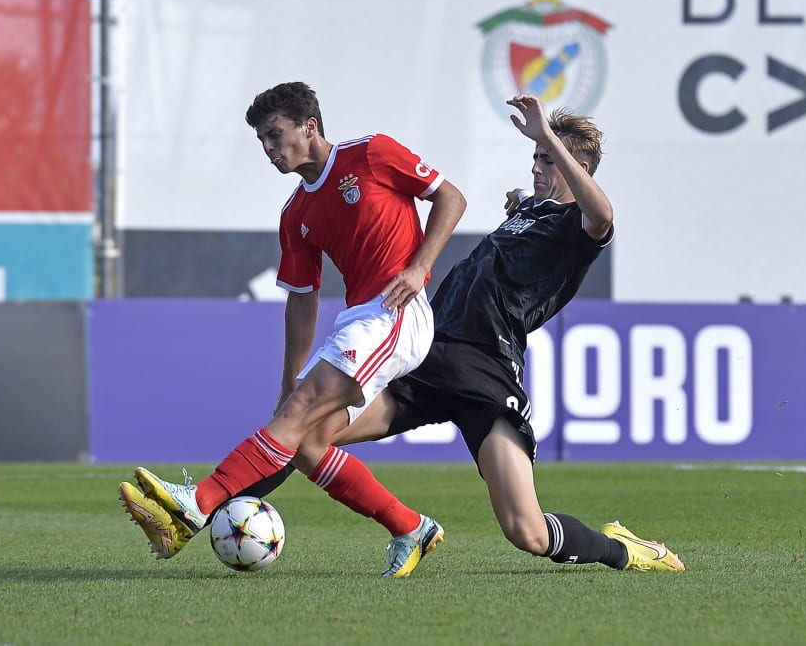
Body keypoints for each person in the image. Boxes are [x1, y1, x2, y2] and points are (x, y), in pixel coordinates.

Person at [167, 94, 684, 572]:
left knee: (526, 531)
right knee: (303, 434)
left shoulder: (579, 229)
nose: (536, 166)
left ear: (580, 169)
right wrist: (522, 197)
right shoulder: (527, 209)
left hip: (486, 371)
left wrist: (547, 136)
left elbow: (604, 215)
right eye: (537, 158)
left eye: (547, 160)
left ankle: (623, 550)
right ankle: (397, 526)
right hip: (427, 356)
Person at [119, 81, 467, 577]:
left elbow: (450, 198)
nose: (268, 148)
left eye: (274, 134)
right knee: (305, 442)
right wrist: (289, 379)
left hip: (396, 312)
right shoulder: (295, 213)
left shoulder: (371, 154)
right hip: (360, 319)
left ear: (310, 126)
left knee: (299, 416)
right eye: (261, 140)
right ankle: (410, 527)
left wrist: (420, 267)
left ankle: (195, 504)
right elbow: (301, 301)